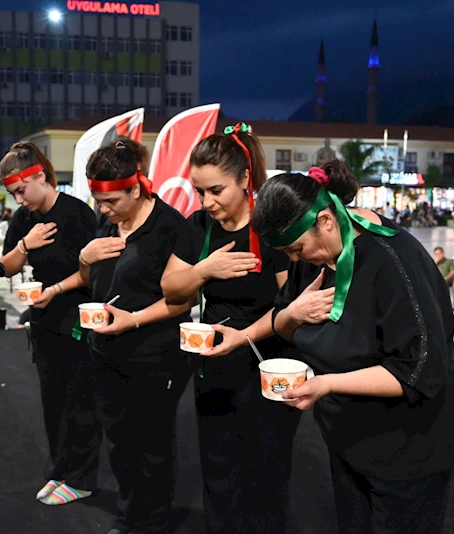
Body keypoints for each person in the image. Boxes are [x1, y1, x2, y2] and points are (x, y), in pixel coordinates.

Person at [252, 161, 454, 534]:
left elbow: (418, 370)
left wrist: (327, 383)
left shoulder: (392, 261)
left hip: (407, 448)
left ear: (325, 221)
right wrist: (292, 314)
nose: (295, 260)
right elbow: (286, 324)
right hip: (348, 439)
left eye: (297, 249)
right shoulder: (313, 259)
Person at [160, 123, 302, 534]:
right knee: (218, 470)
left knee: (266, 475)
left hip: (269, 369)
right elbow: (171, 289)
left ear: (244, 179)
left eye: (215, 190)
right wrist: (205, 269)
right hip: (214, 369)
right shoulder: (197, 227)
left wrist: (246, 334)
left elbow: (292, 310)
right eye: (199, 191)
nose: (206, 202)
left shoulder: (271, 229)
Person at [78, 139, 194, 534]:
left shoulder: (169, 227)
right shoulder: (106, 223)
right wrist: (85, 258)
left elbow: (183, 300)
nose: (104, 210)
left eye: (111, 201)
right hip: (104, 350)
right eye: (98, 202)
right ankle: (131, 514)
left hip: (154, 352)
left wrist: (134, 320)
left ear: (136, 187)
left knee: (152, 444)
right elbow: (89, 280)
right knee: (119, 440)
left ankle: (152, 519)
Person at [0, 141, 102, 506]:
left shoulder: (76, 214)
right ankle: (61, 469)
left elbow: (93, 272)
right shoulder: (24, 219)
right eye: (13, 194)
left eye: (21, 190)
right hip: (43, 322)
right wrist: (25, 245)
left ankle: (83, 477)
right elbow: (5, 267)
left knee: (80, 401)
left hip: (76, 319)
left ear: (40, 176)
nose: (19, 200)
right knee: (52, 402)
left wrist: (56, 289)